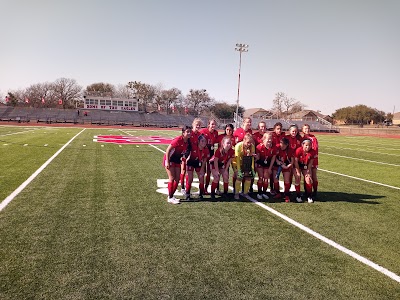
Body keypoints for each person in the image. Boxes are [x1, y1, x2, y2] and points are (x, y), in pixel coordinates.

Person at [163, 126, 192, 204]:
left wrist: (184, 157)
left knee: (177, 179)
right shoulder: (178, 140)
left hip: (177, 160)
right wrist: (167, 162)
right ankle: (170, 197)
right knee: (172, 178)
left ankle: (171, 195)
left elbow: (184, 152)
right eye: (187, 132)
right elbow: (168, 150)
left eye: (190, 132)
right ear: (183, 133)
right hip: (170, 159)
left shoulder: (188, 142)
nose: (189, 133)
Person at [180, 118, 203, 195]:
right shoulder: (190, 133)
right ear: (193, 125)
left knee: (199, 175)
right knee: (183, 170)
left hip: (196, 157)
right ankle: (183, 188)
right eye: (197, 124)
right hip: (187, 156)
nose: (198, 126)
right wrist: (185, 155)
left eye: (199, 125)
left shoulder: (200, 135)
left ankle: (200, 191)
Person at [185, 134, 209, 200]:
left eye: (205, 141)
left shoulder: (206, 149)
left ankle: (201, 194)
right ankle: (187, 194)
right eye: (202, 141)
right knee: (190, 178)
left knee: (201, 178)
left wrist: (202, 169)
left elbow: (204, 160)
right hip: (190, 162)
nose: (204, 143)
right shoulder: (193, 146)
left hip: (198, 163)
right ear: (198, 141)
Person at [294, 139, 317, 203]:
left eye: (309, 145)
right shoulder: (298, 150)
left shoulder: (312, 151)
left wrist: (308, 172)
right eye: (306, 145)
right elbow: (295, 162)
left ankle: (309, 195)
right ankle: (298, 195)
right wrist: (298, 172)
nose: (308, 147)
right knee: (298, 177)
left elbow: (310, 163)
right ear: (302, 145)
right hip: (297, 166)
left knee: (308, 179)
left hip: (305, 166)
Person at [255, 132, 277, 200]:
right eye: (268, 139)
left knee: (266, 179)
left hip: (267, 164)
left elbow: (273, 158)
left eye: (270, 139)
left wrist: (270, 168)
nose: (269, 141)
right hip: (260, 163)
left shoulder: (273, 148)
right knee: (261, 177)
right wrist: (256, 158)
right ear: (264, 139)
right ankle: (259, 192)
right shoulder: (259, 147)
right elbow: (258, 158)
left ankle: (264, 192)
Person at [233, 117, 253, 192]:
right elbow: (234, 141)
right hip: (238, 155)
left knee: (247, 174)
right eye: (248, 122)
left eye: (250, 122)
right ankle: (235, 190)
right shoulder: (238, 131)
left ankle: (245, 190)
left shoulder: (250, 131)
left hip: (246, 157)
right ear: (243, 123)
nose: (249, 123)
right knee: (237, 174)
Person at [234, 133, 256, 200]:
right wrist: (239, 170)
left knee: (248, 177)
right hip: (236, 162)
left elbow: (251, 158)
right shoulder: (238, 146)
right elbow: (237, 159)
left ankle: (245, 193)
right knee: (239, 177)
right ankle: (236, 193)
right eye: (248, 142)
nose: (249, 144)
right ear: (244, 140)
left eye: (250, 142)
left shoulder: (252, 146)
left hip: (246, 162)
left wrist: (252, 169)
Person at [199, 119, 219, 193]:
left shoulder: (216, 133)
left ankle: (206, 188)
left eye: (214, 124)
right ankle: (201, 188)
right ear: (208, 125)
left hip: (211, 152)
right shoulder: (203, 131)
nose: (213, 126)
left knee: (209, 171)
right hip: (203, 152)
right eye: (212, 124)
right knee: (202, 171)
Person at [272, 137, 294, 203]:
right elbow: (274, 157)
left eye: (283, 144)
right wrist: (278, 162)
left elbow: (292, 161)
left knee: (287, 179)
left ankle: (286, 194)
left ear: (287, 145)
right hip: (277, 165)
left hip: (286, 165)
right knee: (275, 178)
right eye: (281, 143)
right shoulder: (277, 147)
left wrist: (287, 167)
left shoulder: (290, 150)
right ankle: (277, 192)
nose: (281, 145)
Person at [302, 124, 319, 200]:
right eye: (305, 129)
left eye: (308, 128)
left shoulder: (313, 138)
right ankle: (307, 191)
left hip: (313, 159)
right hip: (305, 159)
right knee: (307, 176)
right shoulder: (302, 138)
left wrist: (312, 156)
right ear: (302, 130)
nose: (307, 130)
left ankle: (314, 192)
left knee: (313, 175)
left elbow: (315, 149)